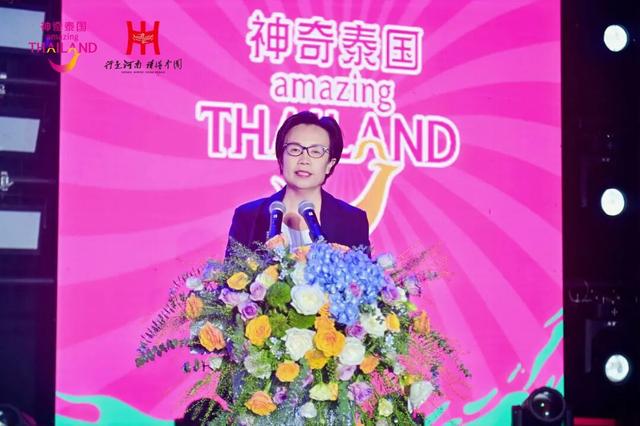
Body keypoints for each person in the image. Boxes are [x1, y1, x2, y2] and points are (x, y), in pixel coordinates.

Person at [225, 111, 370, 258]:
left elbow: (363, 272)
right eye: (295, 149)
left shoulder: (352, 220)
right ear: (281, 158)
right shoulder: (248, 216)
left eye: (316, 152)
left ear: (329, 164)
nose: (304, 160)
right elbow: (232, 272)